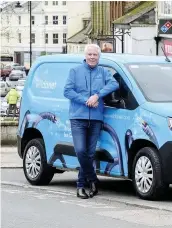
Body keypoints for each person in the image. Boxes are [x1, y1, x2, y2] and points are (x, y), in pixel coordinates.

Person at [63, 44, 119, 199]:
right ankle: (92, 179)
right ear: (85, 55)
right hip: (78, 117)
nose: (92, 57)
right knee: (81, 151)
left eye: (95, 54)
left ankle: (81, 185)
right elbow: (67, 91)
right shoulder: (75, 71)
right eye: (90, 54)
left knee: (89, 153)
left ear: (99, 57)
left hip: (95, 118)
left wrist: (97, 95)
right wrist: (85, 100)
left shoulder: (103, 72)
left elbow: (115, 84)